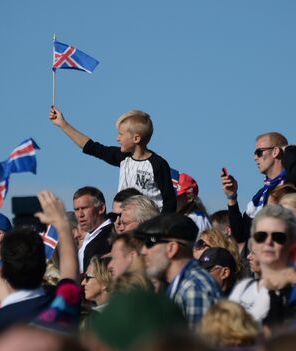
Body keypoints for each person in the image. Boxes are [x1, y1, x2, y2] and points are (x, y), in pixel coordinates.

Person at [49, 107, 177, 213]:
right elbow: (91, 147)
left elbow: (170, 201)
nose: (117, 138)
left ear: (136, 139)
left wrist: (159, 230)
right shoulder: (122, 157)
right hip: (123, 221)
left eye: (121, 134)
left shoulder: (158, 164)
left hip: (148, 228)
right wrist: (63, 124)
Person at [0, 191, 79, 331]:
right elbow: (70, 275)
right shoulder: (59, 306)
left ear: (3, 271)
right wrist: (62, 224)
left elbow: (14, 307)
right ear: (43, 267)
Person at [134, 213, 221, 327]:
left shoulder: (194, 289)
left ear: (172, 248)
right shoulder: (180, 284)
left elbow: (199, 344)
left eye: (150, 242)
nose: (143, 251)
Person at [230, 205, 296, 328]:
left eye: (278, 237)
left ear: (292, 243)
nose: (268, 242)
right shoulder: (242, 288)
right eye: (261, 236)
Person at [221, 132, 288, 245]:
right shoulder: (261, 194)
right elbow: (240, 235)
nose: (255, 158)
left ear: (276, 152)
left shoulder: (290, 184)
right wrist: (231, 196)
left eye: (259, 152)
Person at [72, 186, 113, 273]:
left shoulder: (112, 236)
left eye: (84, 208)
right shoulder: (89, 237)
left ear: (101, 208)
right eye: (76, 210)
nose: (80, 214)